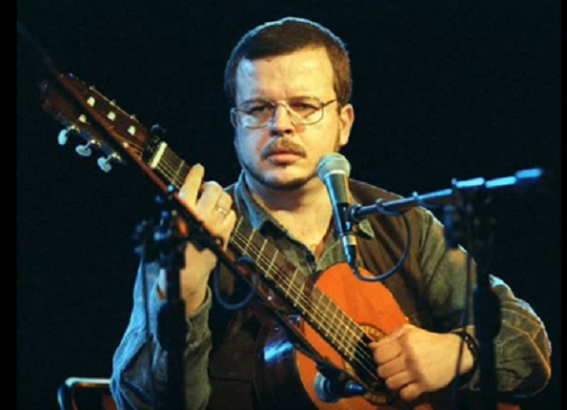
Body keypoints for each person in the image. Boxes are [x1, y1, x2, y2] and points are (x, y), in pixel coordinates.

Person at [110, 17, 552, 410]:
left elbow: (528, 339)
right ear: (235, 125)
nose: (281, 124)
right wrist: (182, 295)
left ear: (344, 123)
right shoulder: (186, 239)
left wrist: (460, 351)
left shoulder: (403, 226)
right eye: (259, 108)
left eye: (304, 106)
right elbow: (139, 403)